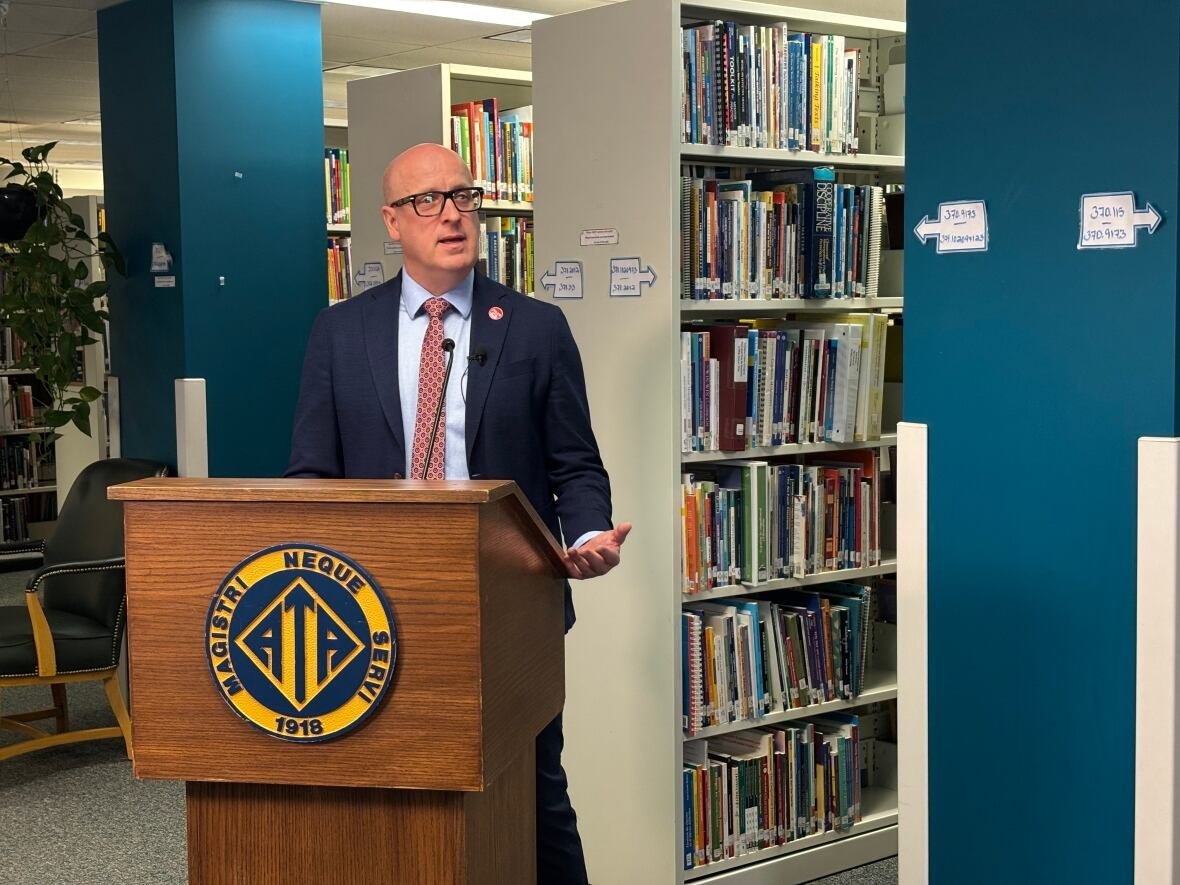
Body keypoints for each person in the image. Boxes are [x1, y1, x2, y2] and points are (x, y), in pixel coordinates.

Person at [286, 142, 631, 884]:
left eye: (463, 196)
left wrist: (592, 532)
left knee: (535, 791)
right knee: (393, 795)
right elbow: (312, 474)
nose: (451, 213)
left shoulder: (535, 327)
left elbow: (575, 463)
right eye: (427, 201)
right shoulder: (340, 333)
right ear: (391, 221)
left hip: (509, 601)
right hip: (376, 606)